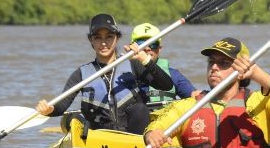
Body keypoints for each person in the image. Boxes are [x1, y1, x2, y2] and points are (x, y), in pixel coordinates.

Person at [36, 13, 174, 134]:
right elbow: (62, 105)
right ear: (91, 40)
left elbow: (166, 85)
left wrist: (146, 60)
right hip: (100, 137)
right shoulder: (81, 74)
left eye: (109, 37)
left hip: (132, 136)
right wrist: (50, 109)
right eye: (97, 37)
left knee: (140, 109)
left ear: (117, 38)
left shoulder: (133, 64)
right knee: (73, 119)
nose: (103, 43)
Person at [130, 22, 197, 107]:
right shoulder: (123, 73)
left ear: (159, 48)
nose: (147, 48)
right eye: (141, 44)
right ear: (132, 47)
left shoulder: (173, 75)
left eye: (153, 44)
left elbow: (195, 95)